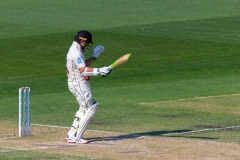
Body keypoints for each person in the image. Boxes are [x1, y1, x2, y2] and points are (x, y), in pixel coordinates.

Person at [65, 30, 111, 144]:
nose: (87, 45)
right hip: (78, 84)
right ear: (82, 41)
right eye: (87, 43)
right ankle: (77, 137)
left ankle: (72, 134)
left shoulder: (76, 49)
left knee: (83, 108)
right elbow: (83, 70)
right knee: (91, 108)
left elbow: (82, 66)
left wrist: (94, 57)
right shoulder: (75, 52)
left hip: (76, 83)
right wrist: (100, 70)